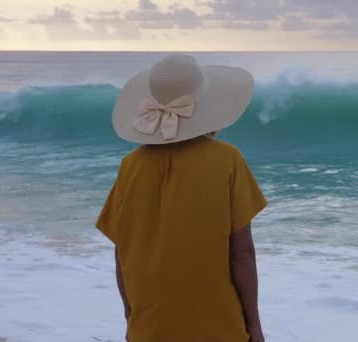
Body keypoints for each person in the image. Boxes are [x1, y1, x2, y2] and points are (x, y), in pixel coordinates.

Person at [96, 54, 268, 342]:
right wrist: (254, 326)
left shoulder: (130, 166)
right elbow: (241, 254)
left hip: (149, 324)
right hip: (218, 324)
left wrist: (131, 316)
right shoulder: (227, 160)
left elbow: (121, 252)